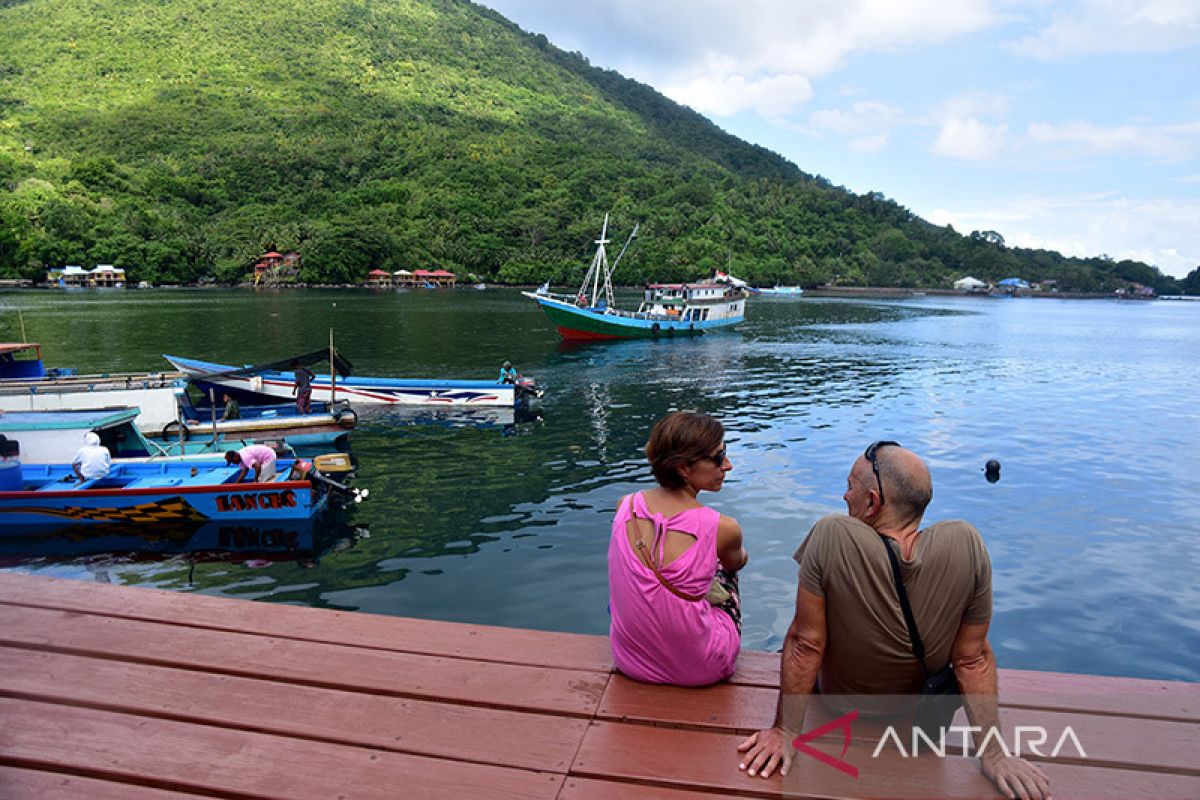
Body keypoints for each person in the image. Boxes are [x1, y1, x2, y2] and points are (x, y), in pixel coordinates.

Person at [736, 442, 1050, 800]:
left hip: (842, 703)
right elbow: (972, 659)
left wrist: (785, 731)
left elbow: (806, 644)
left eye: (850, 486)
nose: (844, 495)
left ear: (872, 502)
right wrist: (993, 752)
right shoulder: (968, 543)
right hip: (913, 707)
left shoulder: (832, 536)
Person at [608, 411, 747, 686]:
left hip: (630, 661)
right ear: (683, 468)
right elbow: (737, 562)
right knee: (722, 571)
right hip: (701, 670)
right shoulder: (723, 527)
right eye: (718, 457)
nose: (727, 465)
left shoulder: (625, 505)